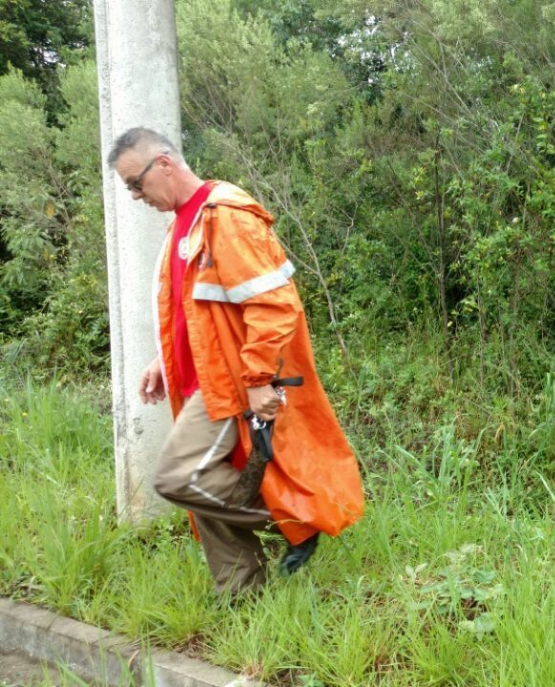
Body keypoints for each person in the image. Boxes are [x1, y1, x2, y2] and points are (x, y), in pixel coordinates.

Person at [107, 127, 364, 595]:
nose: (135, 196)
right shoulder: (182, 225)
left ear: (164, 163)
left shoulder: (226, 216)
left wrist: (258, 376)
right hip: (200, 377)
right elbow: (195, 312)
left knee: (180, 477)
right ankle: (242, 597)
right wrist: (164, 360)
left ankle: (297, 519)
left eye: (135, 183)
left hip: (228, 379)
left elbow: (273, 304)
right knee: (203, 495)